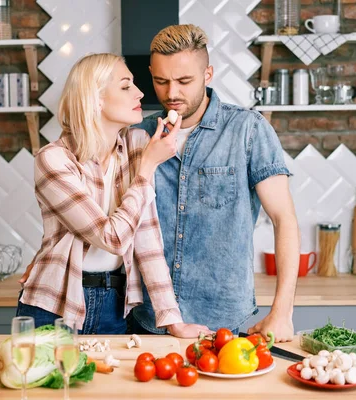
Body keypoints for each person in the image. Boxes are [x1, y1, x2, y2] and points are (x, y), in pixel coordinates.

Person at [17, 53, 210, 338]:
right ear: (95, 99)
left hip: (114, 307)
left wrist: (172, 319)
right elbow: (113, 238)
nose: (140, 92)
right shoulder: (54, 160)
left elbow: (147, 239)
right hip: (54, 305)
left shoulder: (136, 146)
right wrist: (147, 168)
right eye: (125, 86)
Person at [131, 24, 300, 342]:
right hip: (147, 320)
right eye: (161, 81)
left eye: (184, 81)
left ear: (207, 74)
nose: (171, 94)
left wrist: (282, 311)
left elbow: (284, 219)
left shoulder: (248, 130)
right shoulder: (137, 135)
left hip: (223, 323)